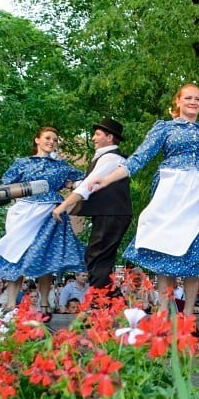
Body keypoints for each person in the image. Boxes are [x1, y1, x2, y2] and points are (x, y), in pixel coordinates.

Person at [90, 84, 199, 318]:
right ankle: (162, 313)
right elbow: (139, 158)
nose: (193, 102)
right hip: (171, 190)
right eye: (188, 98)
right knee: (164, 246)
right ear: (177, 102)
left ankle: (188, 316)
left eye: (197, 99)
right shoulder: (164, 128)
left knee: (197, 251)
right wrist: (107, 179)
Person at [0, 126, 86, 315]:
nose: (51, 142)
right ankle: (10, 304)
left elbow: (84, 181)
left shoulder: (62, 166)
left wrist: (74, 184)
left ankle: (45, 303)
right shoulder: (22, 163)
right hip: (23, 213)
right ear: (37, 140)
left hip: (50, 212)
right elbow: (3, 189)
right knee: (17, 256)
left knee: (47, 257)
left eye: (55, 140)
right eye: (48, 138)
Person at [53, 118, 133, 289]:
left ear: (109, 137)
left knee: (96, 257)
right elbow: (88, 182)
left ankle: (100, 303)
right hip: (110, 213)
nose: (94, 138)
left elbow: (87, 187)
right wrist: (71, 184)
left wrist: (63, 206)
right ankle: (107, 303)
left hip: (112, 213)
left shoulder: (111, 157)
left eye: (97, 134)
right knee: (99, 257)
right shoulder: (105, 158)